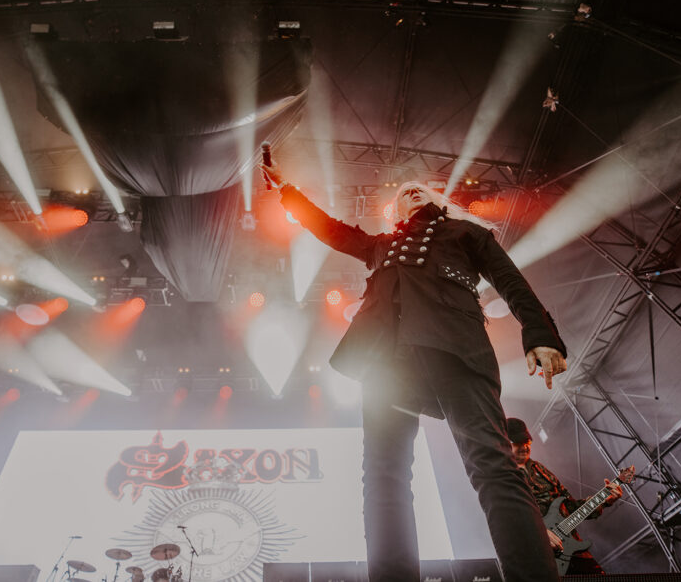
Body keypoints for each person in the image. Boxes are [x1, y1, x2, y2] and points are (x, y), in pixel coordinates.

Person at [261, 161, 568, 582]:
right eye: (403, 191)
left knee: (492, 464)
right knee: (383, 474)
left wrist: (539, 332)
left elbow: (510, 281)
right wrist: (288, 193)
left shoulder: (467, 234)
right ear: (395, 211)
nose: (412, 191)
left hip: (457, 350)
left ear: (438, 199)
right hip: (387, 361)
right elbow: (329, 228)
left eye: (419, 188)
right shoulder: (381, 245)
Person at [507, 418, 623, 576]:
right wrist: (539, 533)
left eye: (527, 441)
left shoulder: (541, 470)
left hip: (571, 549)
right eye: (518, 442)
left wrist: (603, 500)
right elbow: (506, 520)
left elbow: (570, 507)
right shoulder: (504, 476)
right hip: (536, 557)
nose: (525, 446)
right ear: (505, 444)